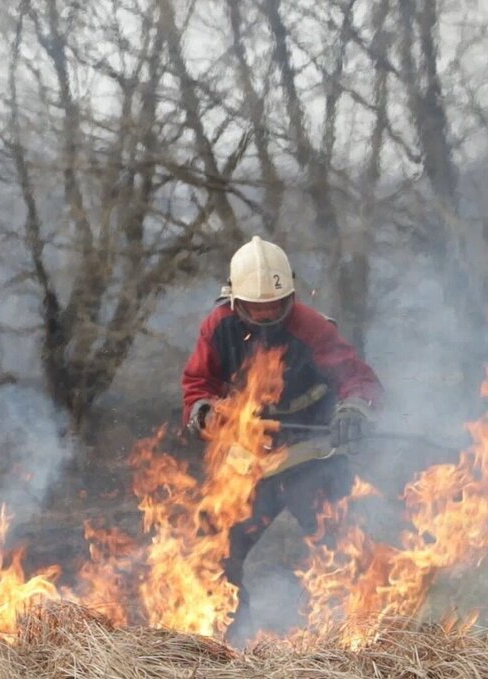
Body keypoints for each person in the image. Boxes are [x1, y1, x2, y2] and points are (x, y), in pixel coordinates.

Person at [181, 235, 383, 646]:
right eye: (257, 308)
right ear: (236, 302)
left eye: (276, 306)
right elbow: (198, 383)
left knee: (340, 547)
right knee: (217, 547)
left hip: (311, 456)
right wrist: (203, 410)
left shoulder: (311, 327)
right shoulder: (217, 328)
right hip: (249, 459)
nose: (268, 315)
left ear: (290, 295)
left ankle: (353, 639)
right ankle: (227, 642)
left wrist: (354, 409)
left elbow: (358, 379)